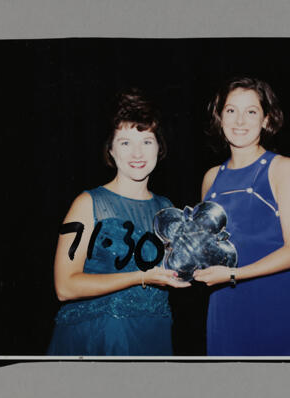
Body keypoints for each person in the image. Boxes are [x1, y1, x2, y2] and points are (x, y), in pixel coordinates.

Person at [47, 88, 189, 356]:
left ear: (160, 148)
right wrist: (141, 277)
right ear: (110, 150)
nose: (137, 153)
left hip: (153, 336)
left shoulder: (167, 208)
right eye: (125, 142)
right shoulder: (87, 203)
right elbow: (64, 287)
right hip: (97, 340)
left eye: (147, 141)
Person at [193, 77, 290, 356]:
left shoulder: (283, 168)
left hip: (274, 303)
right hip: (223, 307)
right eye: (231, 110)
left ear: (266, 120)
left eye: (251, 111)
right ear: (219, 117)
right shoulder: (211, 178)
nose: (240, 121)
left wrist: (234, 274)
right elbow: (209, 249)